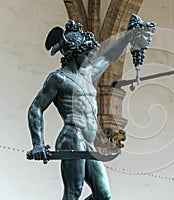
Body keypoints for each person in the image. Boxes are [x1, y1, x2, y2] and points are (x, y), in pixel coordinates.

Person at [27, 15, 155, 200]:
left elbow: (109, 55)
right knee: (74, 191)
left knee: (103, 195)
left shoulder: (87, 74)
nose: (90, 57)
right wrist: (38, 144)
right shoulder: (58, 79)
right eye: (86, 53)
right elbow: (36, 108)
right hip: (72, 137)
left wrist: (129, 36)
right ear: (73, 52)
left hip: (88, 141)